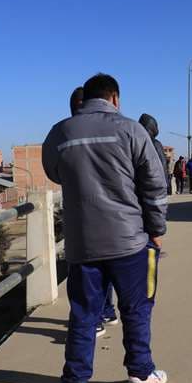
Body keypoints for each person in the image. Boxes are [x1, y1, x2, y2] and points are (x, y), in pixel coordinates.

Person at [43, 73, 168, 383]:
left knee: (84, 313)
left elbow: (55, 172)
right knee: (137, 308)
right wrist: (156, 229)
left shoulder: (60, 133)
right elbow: (154, 187)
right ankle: (140, 375)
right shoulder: (132, 130)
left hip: (82, 244)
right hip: (130, 241)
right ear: (115, 98)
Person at [69, 86, 115, 339]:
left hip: (96, 224)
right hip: (109, 225)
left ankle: (98, 317)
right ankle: (105, 312)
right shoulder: (123, 129)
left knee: (88, 289)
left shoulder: (63, 132)